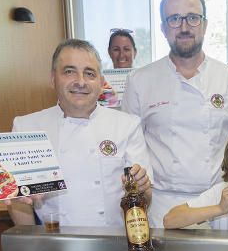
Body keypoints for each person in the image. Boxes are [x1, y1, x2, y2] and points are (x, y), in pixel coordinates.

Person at [123, 0, 228, 226]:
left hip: (219, 204)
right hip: (160, 204)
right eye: (174, 19)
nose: (184, 27)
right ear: (162, 28)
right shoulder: (140, 80)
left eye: (192, 18)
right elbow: (130, 148)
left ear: (204, 24)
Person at [8, 39, 151, 227]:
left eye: (89, 73)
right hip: (54, 245)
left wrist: (143, 188)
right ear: (53, 79)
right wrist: (33, 247)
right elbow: (19, 204)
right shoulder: (27, 127)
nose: (80, 82)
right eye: (69, 71)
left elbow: (145, 199)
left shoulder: (127, 125)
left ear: (101, 83)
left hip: (114, 243)